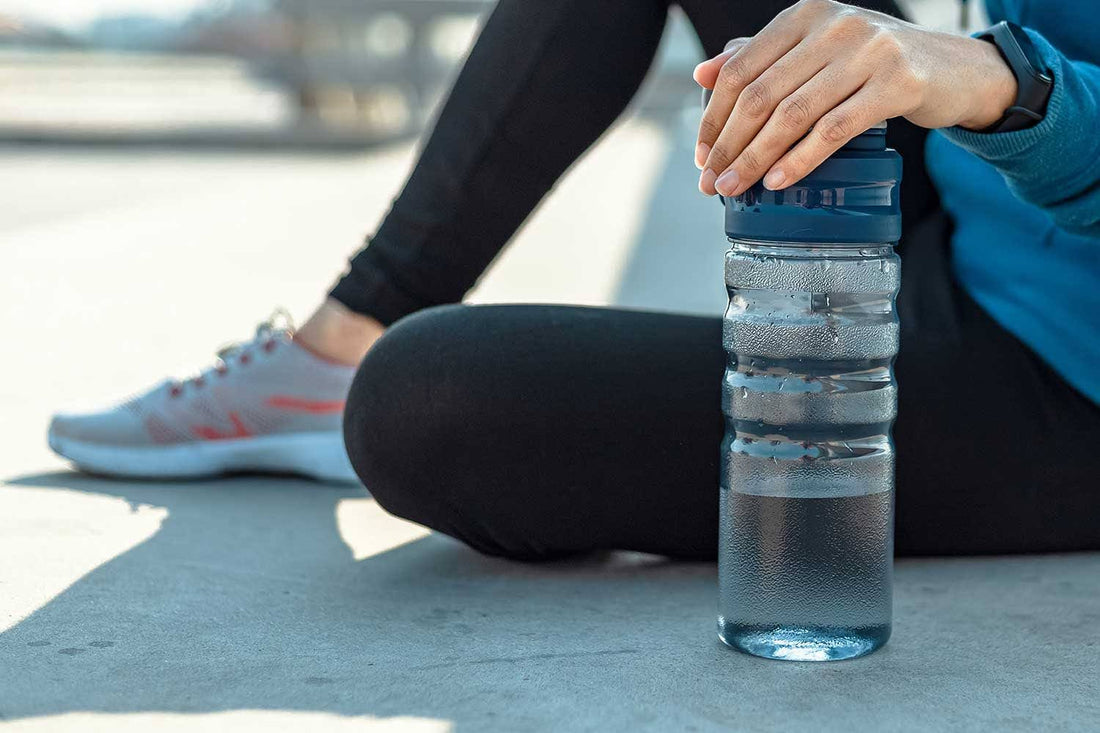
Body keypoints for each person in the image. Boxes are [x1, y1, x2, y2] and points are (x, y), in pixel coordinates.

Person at [50, 0, 1099, 558]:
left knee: (430, 401)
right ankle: (332, 343)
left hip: (1059, 383)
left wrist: (1001, 80)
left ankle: (357, 365)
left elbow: (1017, 72)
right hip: (967, 214)